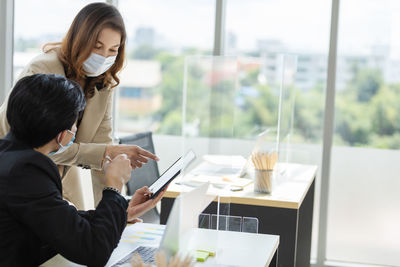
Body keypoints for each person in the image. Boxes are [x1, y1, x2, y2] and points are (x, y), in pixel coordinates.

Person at [0, 2, 157, 209]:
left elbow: (103, 154)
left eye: (113, 50)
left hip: (57, 177)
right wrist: (105, 152)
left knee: (80, 234)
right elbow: (40, 145)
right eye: (97, 46)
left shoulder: (104, 82)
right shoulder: (44, 69)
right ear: (80, 39)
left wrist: (115, 214)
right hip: (16, 175)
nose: (103, 57)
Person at [0, 74, 165, 266]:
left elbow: (55, 221)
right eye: (74, 123)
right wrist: (114, 185)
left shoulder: (8, 156)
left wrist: (121, 213)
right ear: (63, 135)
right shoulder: (27, 171)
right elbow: (94, 251)